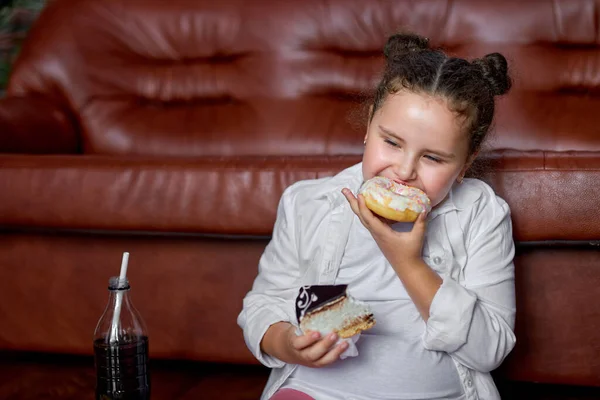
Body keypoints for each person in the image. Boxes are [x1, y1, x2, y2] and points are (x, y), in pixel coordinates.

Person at [238, 32, 516, 400]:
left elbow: (489, 350)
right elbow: (263, 305)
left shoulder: (481, 212)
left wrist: (408, 262)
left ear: (465, 163)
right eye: (392, 142)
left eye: (432, 158)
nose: (403, 171)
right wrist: (286, 342)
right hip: (317, 389)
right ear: (369, 126)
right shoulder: (307, 203)